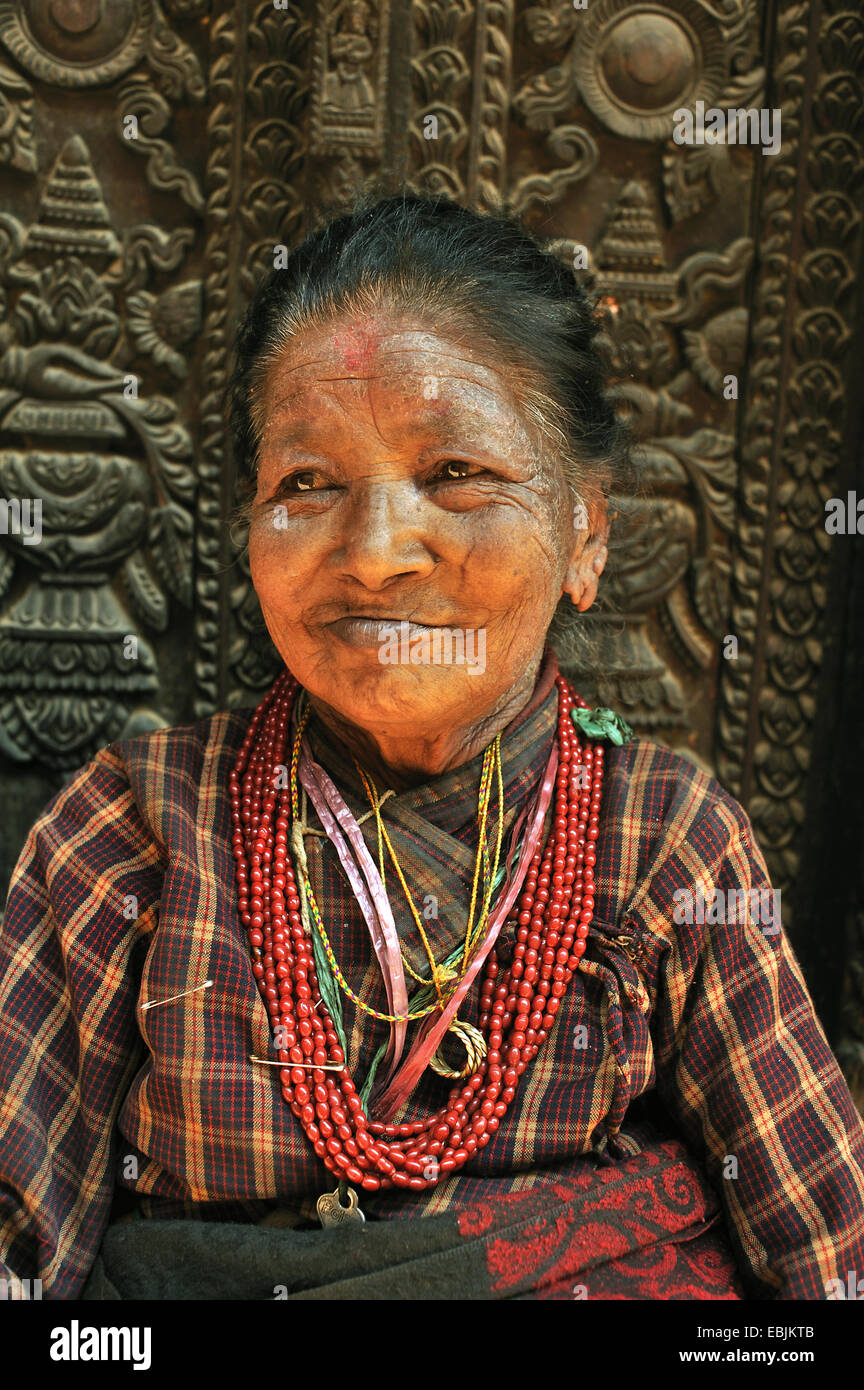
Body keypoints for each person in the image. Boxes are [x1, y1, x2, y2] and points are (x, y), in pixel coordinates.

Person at [1, 192, 863, 1302]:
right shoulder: (134, 831)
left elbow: (827, 1259)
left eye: (456, 475)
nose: (374, 554)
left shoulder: (667, 846)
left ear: (585, 532)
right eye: (307, 484)